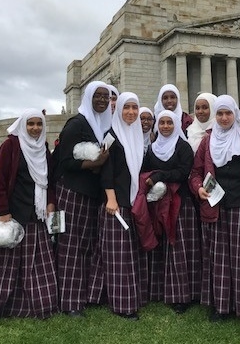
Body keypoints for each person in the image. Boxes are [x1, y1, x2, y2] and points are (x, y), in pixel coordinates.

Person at [0, 109, 58, 321]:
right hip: (14, 213)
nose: (35, 128)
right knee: (7, 264)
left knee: (36, 263)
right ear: (23, 125)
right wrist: (3, 210)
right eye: (30, 124)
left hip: (37, 214)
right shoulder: (11, 146)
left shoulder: (43, 148)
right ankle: (1, 304)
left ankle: (38, 303)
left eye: (39, 124)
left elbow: (49, 179)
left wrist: (50, 202)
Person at [189, 95, 240, 324]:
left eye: (228, 113)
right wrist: (198, 189)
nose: (224, 118)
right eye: (220, 113)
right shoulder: (208, 141)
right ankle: (221, 306)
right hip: (217, 208)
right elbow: (195, 172)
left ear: (235, 113)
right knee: (219, 259)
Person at [51, 81, 112, 317]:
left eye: (106, 97)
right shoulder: (76, 124)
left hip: (91, 195)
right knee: (70, 247)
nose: (102, 100)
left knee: (86, 245)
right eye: (97, 96)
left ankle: (85, 295)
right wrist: (92, 164)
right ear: (87, 97)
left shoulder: (102, 125)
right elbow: (63, 161)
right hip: (73, 192)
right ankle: (70, 302)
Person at [90, 92, 148, 320]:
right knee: (118, 257)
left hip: (131, 202)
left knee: (126, 254)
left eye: (135, 107)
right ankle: (123, 304)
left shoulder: (136, 135)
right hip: (116, 205)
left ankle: (122, 296)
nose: (131, 112)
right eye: (127, 108)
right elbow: (106, 171)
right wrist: (111, 199)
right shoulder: (111, 135)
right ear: (119, 109)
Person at [141, 110, 198, 314]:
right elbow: (145, 172)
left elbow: (183, 173)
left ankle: (182, 295)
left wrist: (159, 176)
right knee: (161, 246)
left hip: (180, 204)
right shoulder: (153, 148)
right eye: (162, 123)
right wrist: (155, 179)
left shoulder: (182, 147)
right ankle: (161, 290)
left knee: (178, 247)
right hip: (158, 203)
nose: (165, 126)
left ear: (175, 125)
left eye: (169, 123)